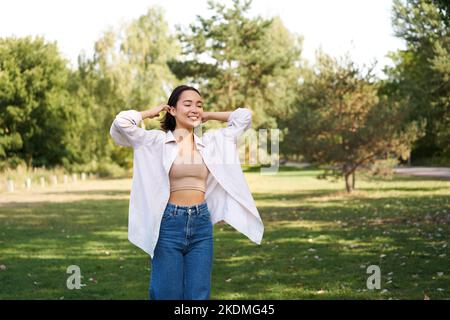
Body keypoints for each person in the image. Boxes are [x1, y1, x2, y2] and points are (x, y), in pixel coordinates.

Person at [110, 85, 264, 300]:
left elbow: (243, 117)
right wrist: (152, 112)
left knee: (198, 295)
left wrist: (206, 115)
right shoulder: (156, 141)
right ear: (172, 110)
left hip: (201, 223)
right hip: (168, 224)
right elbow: (122, 122)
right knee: (166, 293)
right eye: (188, 104)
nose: (195, 108)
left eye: (199, 104)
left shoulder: (211, 142)